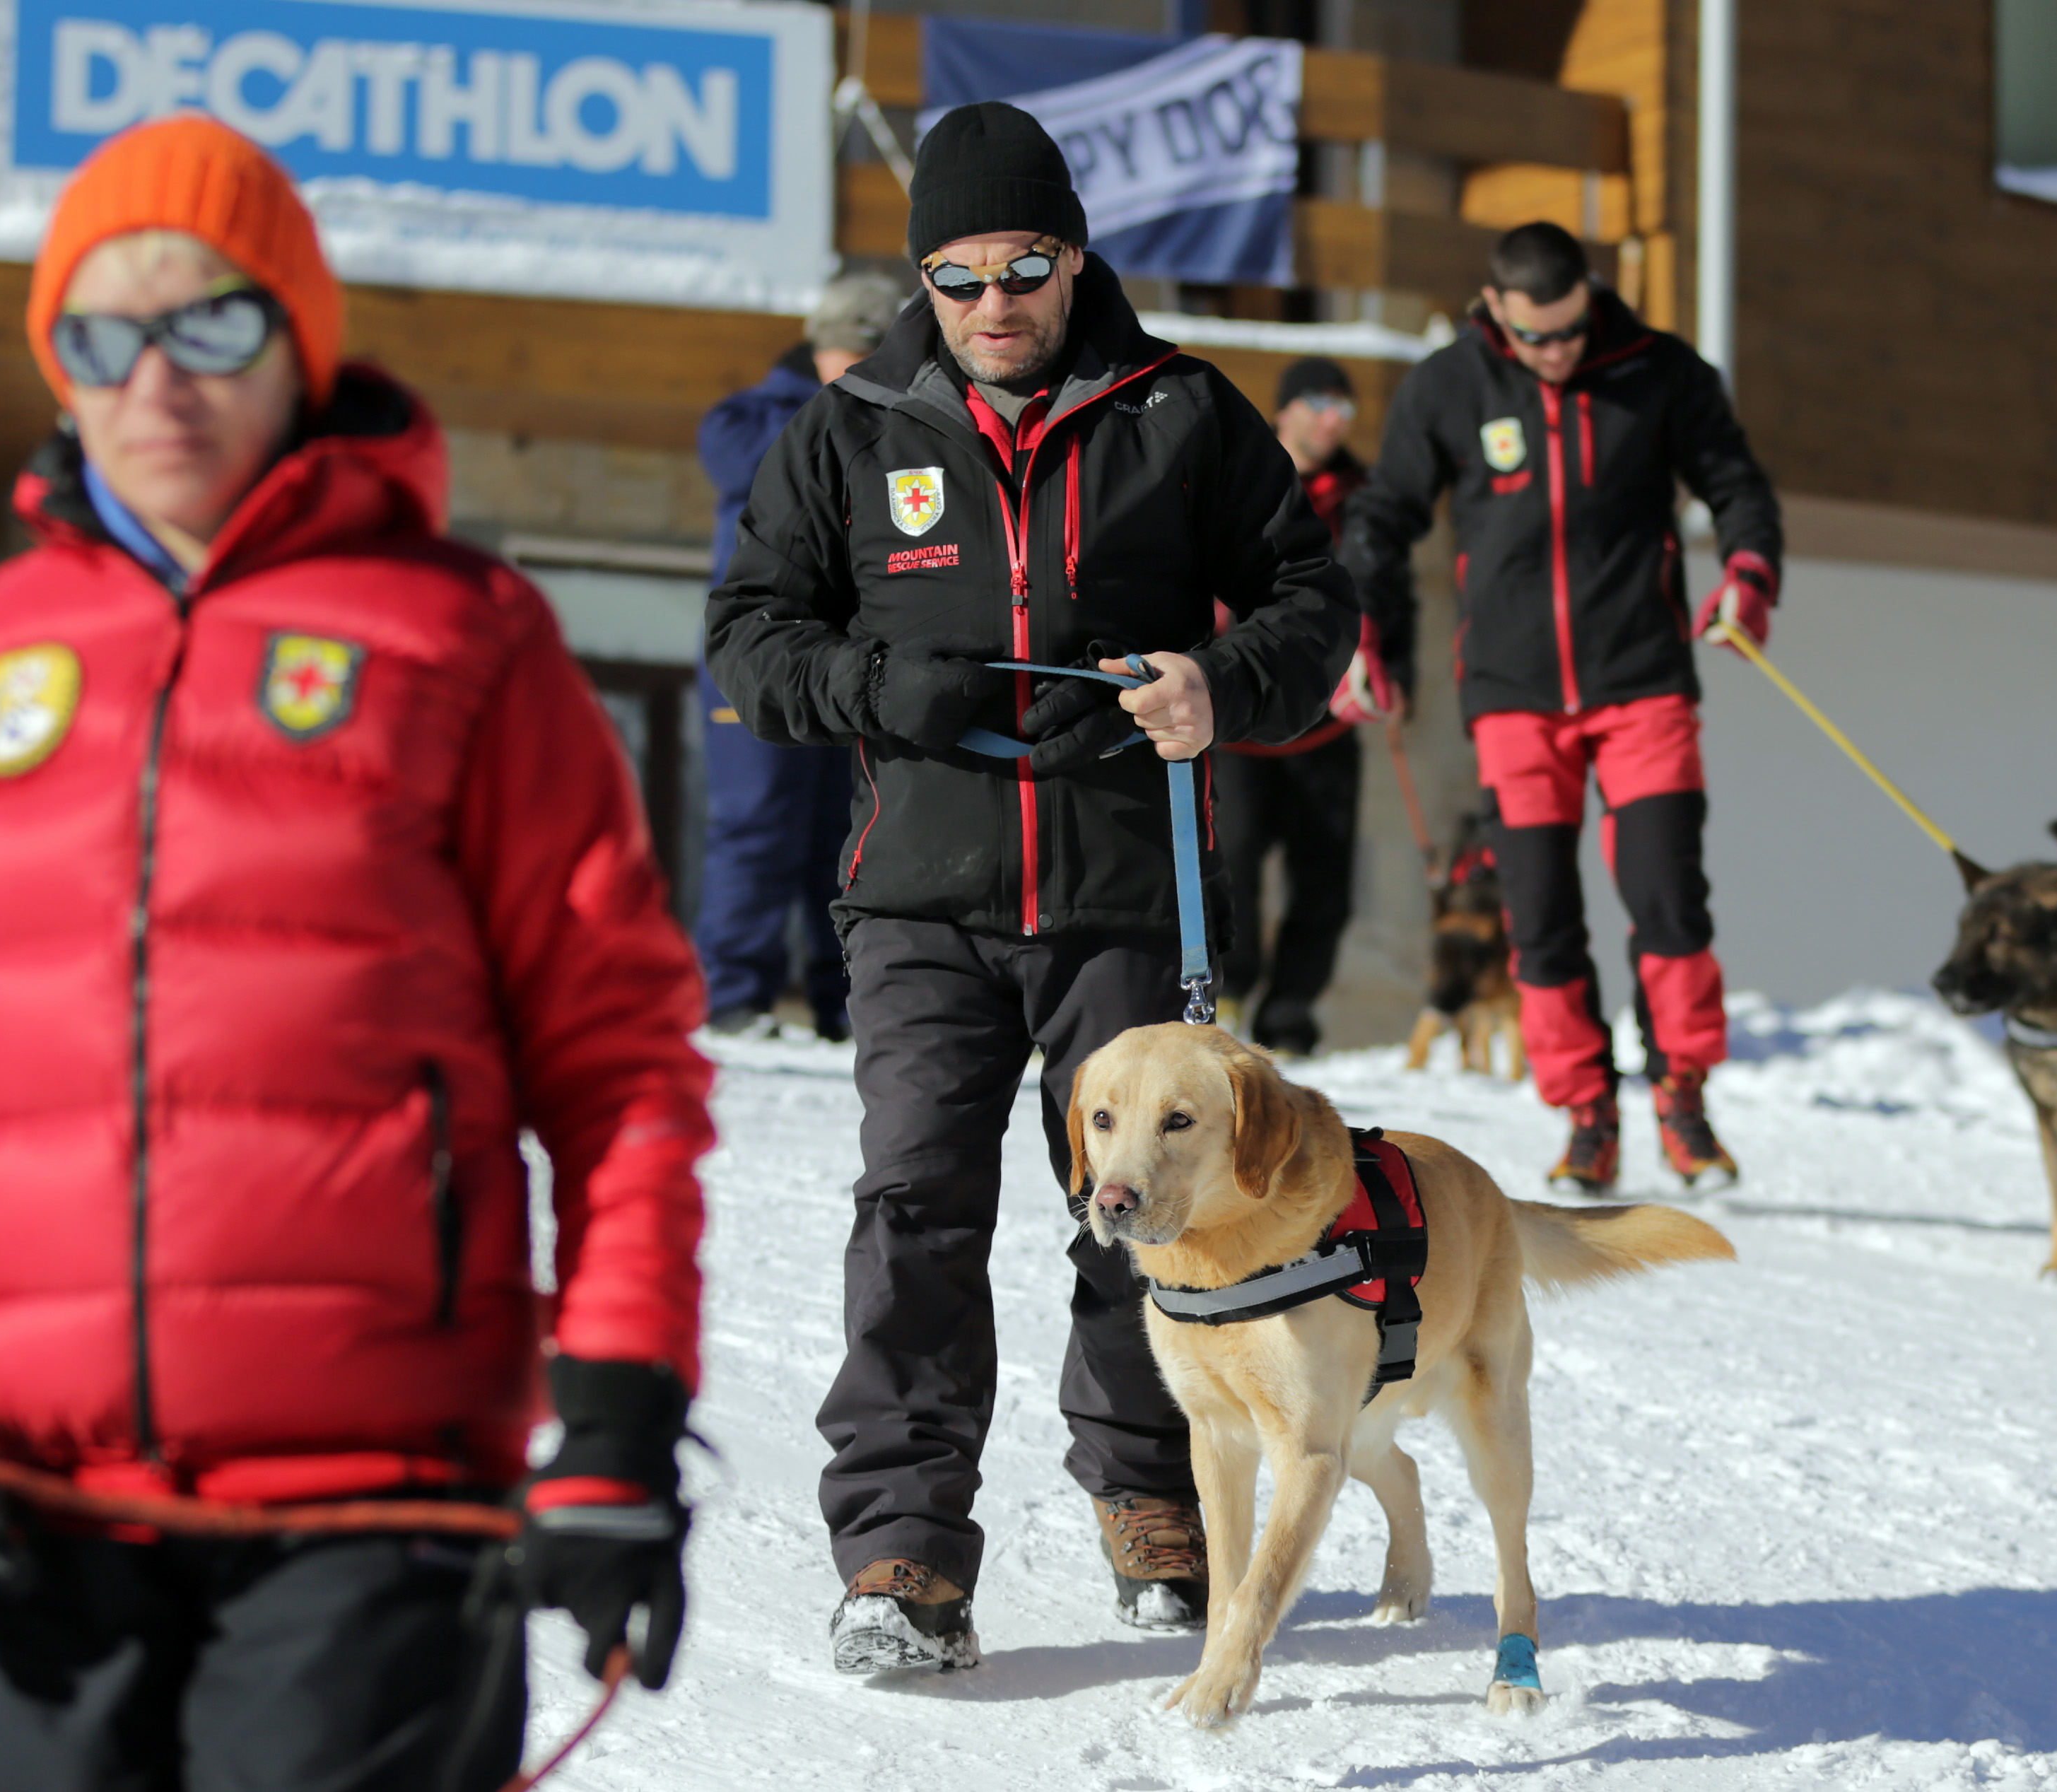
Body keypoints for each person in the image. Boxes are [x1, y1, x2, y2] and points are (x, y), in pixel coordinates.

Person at [0, 117, 713, 1790]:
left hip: (373, 1519)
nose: (158, 380)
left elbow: (619, 1068)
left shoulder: (464, 642)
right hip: (24, 1510)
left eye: (209, 321)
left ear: (298, 337)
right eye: (100, 335)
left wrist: (623, 1412)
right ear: (56, 368)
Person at [706, 100, 1357, 1672]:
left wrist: (1217, 680)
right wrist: (880, 685)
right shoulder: (848, 426)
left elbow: (1309, 599)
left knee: (1142, 1215)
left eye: (1024, 265)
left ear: (1073, 256)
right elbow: (742, 635)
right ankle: (901, 1549)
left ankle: (1151, 1499)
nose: (994, 303)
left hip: (1126, 892)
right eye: (959, 274)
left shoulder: (1179, 411)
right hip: (921, 898)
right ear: (919, 280)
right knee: (916, 1206)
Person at [1342, 221, 1782, 1193]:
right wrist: (1365, 632)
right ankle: (1585, 1111)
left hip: (1641, 681)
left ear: (1589, 296)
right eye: (1536, 337)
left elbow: (1737, 485)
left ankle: (1681, 1095)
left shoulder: (1658, 370)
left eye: (1571, 329)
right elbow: (1379, 519)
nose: (1557, 352)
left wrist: (1749, 572)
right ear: (1494, 310)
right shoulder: (1447, 386)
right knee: (1536, 914)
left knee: (1667, 896)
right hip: (1512, 696)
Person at [693, 271, 908, 1040]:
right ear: (827, 348)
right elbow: (741, 463)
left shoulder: (887, 419)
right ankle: (732, 997)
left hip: (843, 667)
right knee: (756, 825)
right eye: (857, 352)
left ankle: (839, 1004)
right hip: (756, 667)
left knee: (843, 836)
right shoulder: (751, 419)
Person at [1212, 356, 1403, 1056]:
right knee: (1227, 867)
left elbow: (1390, 590)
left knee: (1323, 881)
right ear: (1286, 409)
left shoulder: (1364, 496)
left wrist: (1393, 668)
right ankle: (1225, 997)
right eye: (1319, 403)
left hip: (1326, 723)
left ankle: (1288, 1022)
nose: (1332, 420)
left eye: (1344, 409)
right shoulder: (1235, 470)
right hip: (1234, 719)